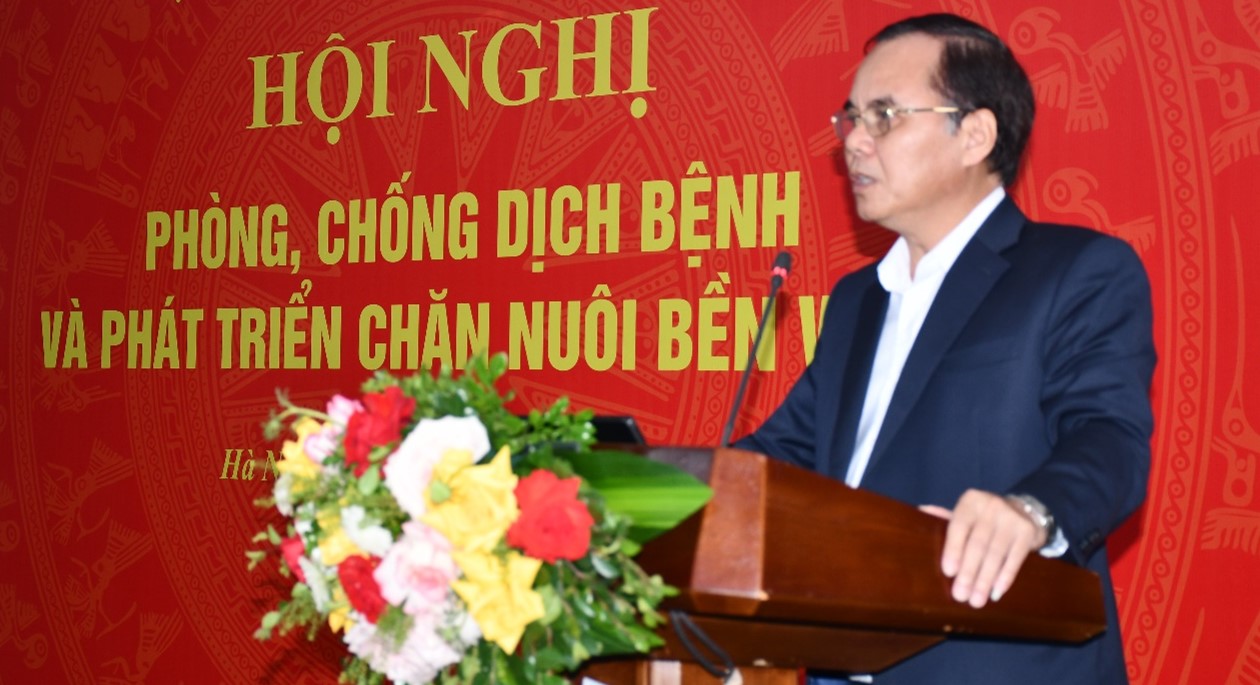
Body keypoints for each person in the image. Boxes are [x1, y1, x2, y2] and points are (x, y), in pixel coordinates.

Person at [735, 12, 1155, 684]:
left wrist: (1029, 510)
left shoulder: (1076, 272)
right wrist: (620, 494)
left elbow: (1109, 439)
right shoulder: (856, 301)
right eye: (852, 118)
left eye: (884, 116)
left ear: (976, 136)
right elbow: (780, 458)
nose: (854, 142)